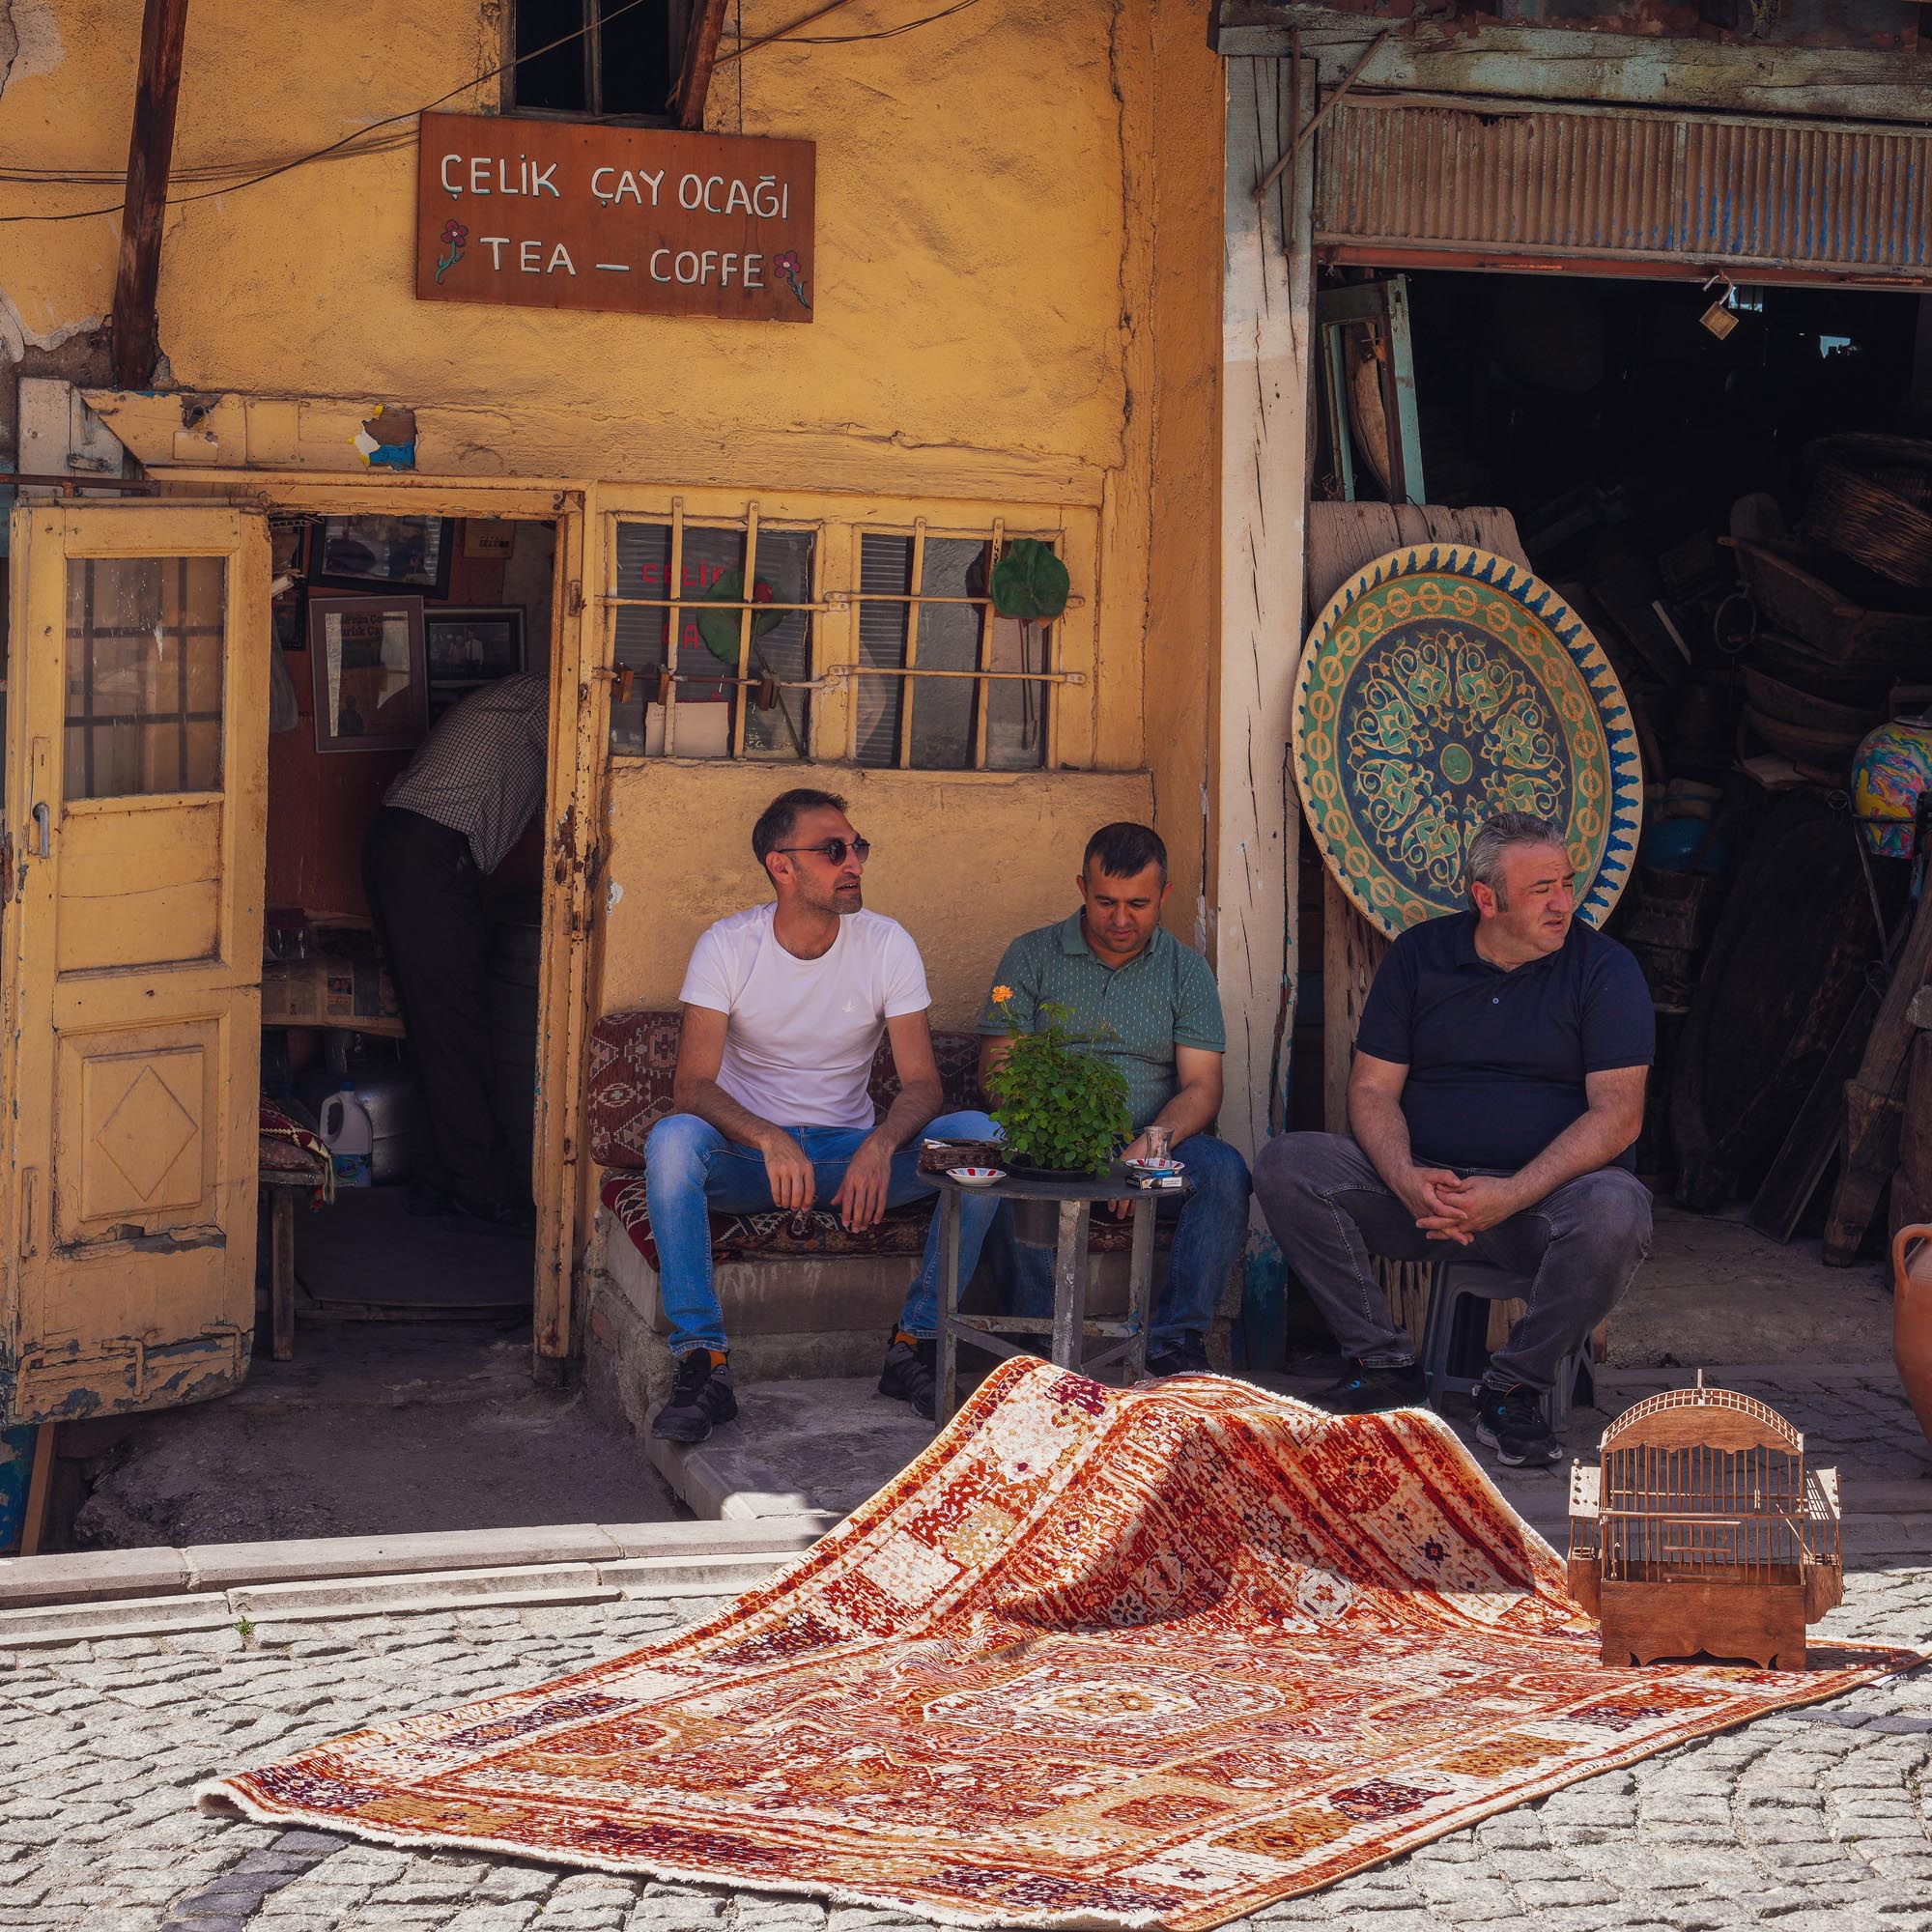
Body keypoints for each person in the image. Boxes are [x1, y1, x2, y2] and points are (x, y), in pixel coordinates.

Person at [1253, 810, 1655, 1467]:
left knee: (1618, 1208)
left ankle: (1513, 1388)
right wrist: (1406, 1177)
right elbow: (1373, 1089)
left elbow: (1619, 1116)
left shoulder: (1605, 970)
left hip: (1543, 1209)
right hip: (1425, 1195)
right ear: (1485, 899)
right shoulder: (1421, 956)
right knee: (1289, 1165)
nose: (1564, 903)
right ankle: (1384, 1366)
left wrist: (1511, 1193)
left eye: (1566, 883)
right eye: (1541, 890)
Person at [644, 788, 1005, 1443]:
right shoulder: (728, 946)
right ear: (782, 866)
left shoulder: (885, 943)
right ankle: (703, 1361)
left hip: (851, 1158)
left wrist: (881, 1144)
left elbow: (922, 1084)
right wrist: (766, 1136)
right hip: (753, 1161)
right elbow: (692, 1086)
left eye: (857, 847)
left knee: (980, 1140)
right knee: (672, 1142)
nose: (854, 863)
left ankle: (916, 1341)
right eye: (833, 850)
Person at [979, 823, 1252, 1378]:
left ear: (1164, 896)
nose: (1121, 920)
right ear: (1082, 887)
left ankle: (1176, 1342)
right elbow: (997, 1073)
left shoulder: (1185, 969)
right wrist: (1066, 1143)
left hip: (1152, 1146)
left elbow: (1203, 1086)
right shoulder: (1032, 956)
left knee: (1224, 1170)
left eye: (1138, 903)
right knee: (1002, 1165)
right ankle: (1039, 1350)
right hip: (1054, 1145)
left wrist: (1146, 1146)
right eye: (1105, 901)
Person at [362, 671, 548, 1233]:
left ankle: (436, 1177)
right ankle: (483, 1188)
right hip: (428, 853)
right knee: (455, 1028)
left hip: (402, 846)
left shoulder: (517, 698)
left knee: (433, 1026)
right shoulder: (555, 700)